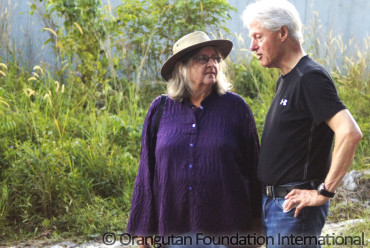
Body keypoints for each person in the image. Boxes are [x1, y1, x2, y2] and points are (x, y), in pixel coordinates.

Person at [242, 0, 362, 247]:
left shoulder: (309, 78)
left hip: (293, 210)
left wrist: (324, 192)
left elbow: (349, 133)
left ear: (282, 33)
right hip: (277, 208)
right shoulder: (288, 78)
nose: (252, 46)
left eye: (258, 37)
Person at [126, 31, 261, 247]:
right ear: (182, 66)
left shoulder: (236, 108)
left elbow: (254, 168)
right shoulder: (159, 109)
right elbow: (147, 171)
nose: (212, 64)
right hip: (172, 230)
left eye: (215, 58)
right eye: (202, 58)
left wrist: (257, 224)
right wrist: (144, 227)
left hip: (226, 231)